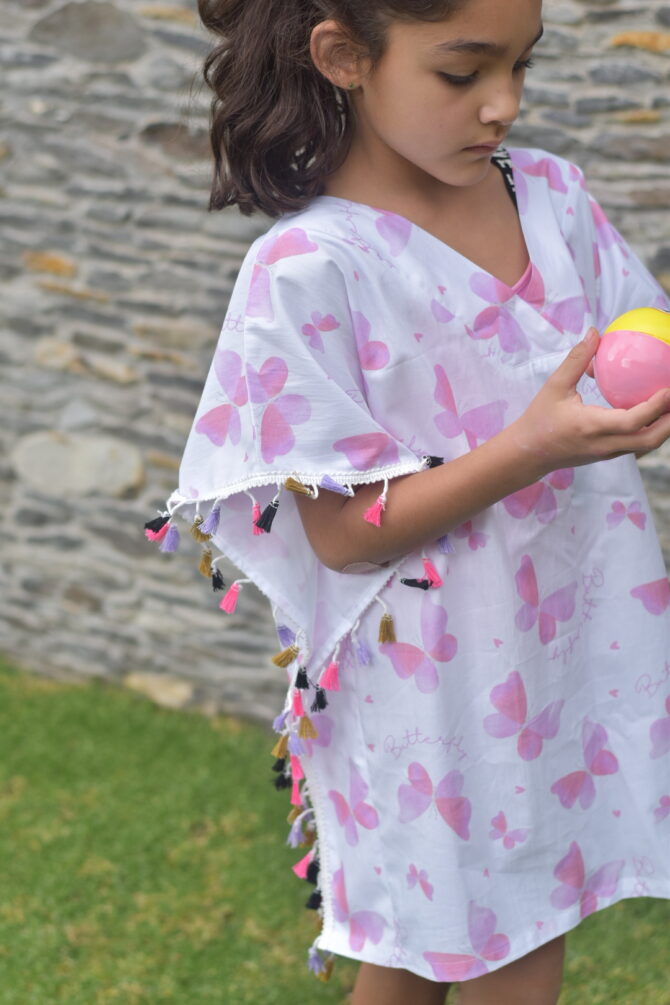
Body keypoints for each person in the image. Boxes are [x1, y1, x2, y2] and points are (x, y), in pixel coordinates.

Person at [144, 0, 670, 1002]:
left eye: (522, 66)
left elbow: (628, 345)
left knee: (414, 953)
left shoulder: (553, 200)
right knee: (500, 942)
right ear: (344, 56)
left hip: (562, 650)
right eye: (462, 73)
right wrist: (527, 448)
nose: (503, 105)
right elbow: (342, 536)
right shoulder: (311, 273)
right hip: (435, 699)